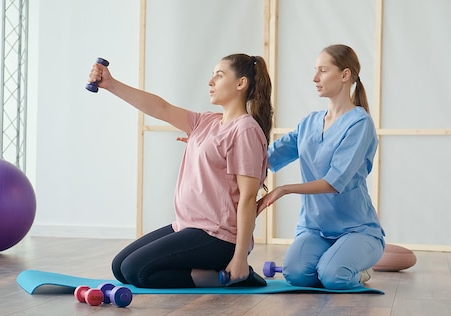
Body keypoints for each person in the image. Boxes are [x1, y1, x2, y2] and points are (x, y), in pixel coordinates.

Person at [88, 54, 273, 288]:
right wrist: (111, 84)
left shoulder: (245, 129)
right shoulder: (206, 122)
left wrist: (239, 258)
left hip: (219, 237)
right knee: (120, 268)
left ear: (241, 83)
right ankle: (214, 273)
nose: (210, 82)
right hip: (188, 226)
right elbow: (160, 107)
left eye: (219, 75)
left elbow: (247, 197)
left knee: (137, 271)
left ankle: (228, 277)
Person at [256, 44, 385, 290]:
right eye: (315, 70)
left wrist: (284, 189)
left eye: (323, 71)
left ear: (345, 75)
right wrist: (213, 145)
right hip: (315, 229)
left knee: (333, 277)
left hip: (356, 230)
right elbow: (266, 156)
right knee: (295, 275)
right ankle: (330, 262)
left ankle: (358, 272)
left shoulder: (360, 123)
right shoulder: (309, 123)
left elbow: (334, 183)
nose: (315, 78)